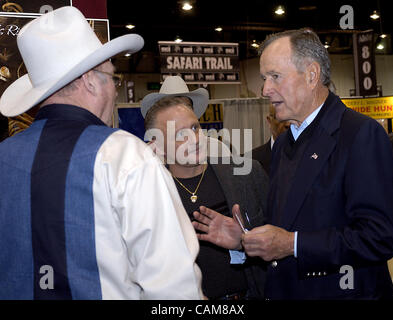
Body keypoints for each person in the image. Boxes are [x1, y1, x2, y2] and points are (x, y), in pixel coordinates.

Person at [0, 7, 202, 300]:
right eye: (112, 78)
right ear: (90, 81)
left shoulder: (4, 156)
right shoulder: (125, 155)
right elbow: (174, 288)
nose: (114, 89)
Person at [241, 28, 393, 299]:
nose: (265, 90)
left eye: (275, 76)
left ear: (312, 75)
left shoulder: (360, 135)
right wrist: (245, 235)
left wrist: (293, 244)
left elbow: (379, 236)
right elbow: (288, 223)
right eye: (265, 79)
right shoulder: (285, 143)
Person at [141, 76, 268, 300]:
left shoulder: (246, 174)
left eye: (195, 127)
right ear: (158, 147)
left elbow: (282, 243)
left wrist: (245, 241)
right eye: (180, 134)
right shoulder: (149, 197)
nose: (194, 139)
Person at [251, 104, 290, 174]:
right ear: (269, 120)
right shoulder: (250, 159)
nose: (288, 124)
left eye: (292, 117)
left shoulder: (309, 157)